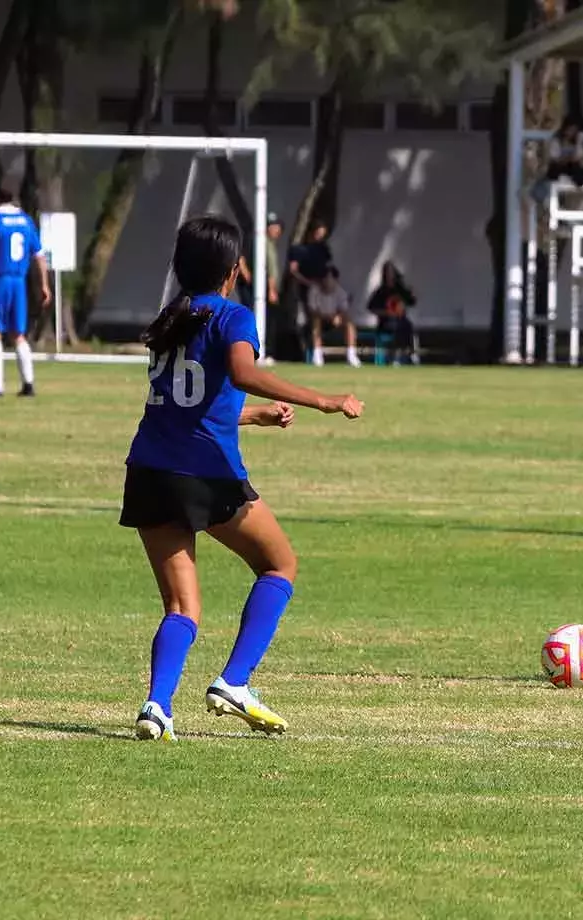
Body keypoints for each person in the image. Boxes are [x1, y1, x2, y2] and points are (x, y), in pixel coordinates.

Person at [120, 215, 363, 741]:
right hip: (205, 473)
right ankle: (234, 681)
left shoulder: (171, 318)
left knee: (182, 606)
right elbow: (241, 373)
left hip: (149, 471)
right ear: (233, 271)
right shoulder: (232, 316)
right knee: (280, 564)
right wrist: (325, 400)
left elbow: (186, 404)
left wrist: (254, 416)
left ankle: (157, 706)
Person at [0, 188, 51, 397]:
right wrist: (44, 284)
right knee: (18, 334)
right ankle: (28, 384)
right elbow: (39, 256)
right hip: (19, 282)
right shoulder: (26, 221)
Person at [306, 266, 360, 368]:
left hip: (335, 322)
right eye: (326, 278)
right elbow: (312, 311)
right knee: (316, 322)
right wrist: (327, 316)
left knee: (349, 323)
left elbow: (344, 310)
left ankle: (351, 355)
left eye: (330, 278)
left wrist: (339, 317)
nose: (328, 281)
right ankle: (317, 356)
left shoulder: (340, 292)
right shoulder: (314, 291)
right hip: (320, 321)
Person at [367, 261, 418, 365]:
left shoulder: (400, 289)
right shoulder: (380, 291)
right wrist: (385, 313)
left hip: (401, 320)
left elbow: (411, 302)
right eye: (387, 272)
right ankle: (394, 357)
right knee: (395, 326)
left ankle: (411, 354)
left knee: (408, 326)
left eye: (391, 272)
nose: (390, 275)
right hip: (386, 322)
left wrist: (412, 295)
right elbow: (371, 308)